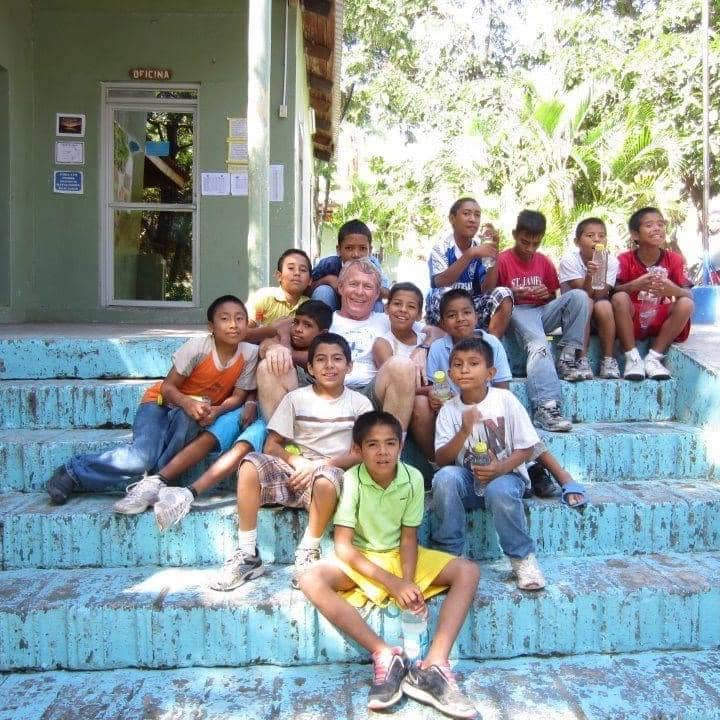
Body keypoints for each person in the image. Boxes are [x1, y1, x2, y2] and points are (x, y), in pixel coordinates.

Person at [299, 411, 479, 718]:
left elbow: (409, 538)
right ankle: (384, 653)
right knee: (310, 577)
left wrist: (407, 581)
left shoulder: (413, 478)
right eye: (372, 445)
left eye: (390, 444)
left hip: (400, 556)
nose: (383, 452)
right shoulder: (353, 479)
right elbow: (343, 545)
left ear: (401, 445)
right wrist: (392, 584)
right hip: (362, 559)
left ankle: (435, 664)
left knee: (468, 570)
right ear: (357, 450)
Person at [46, 295, 258, 505]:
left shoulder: (249, 354)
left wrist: (217, 411)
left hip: (193, 415)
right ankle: (73, 472)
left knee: (171, 447)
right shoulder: (198, 348)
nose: (233, 325)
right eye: (225, 318)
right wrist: (186, 402)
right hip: (159, 405)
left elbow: (238, 396)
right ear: (211, 326)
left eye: (239, 318)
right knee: (142, 458)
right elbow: (167, 387)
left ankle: (153, 484)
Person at [211, 333, 373, 591]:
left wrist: (321, 465)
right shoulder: (297, 399)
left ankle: (308, 551)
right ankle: (247, 554)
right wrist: (296, 461)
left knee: (326, 480)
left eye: (337, 359)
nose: (329, 365)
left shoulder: (360, 403)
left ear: (349, 366)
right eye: (320, 360)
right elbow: (271, 445)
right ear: (309, 368)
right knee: (250, 464)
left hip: (330, 475)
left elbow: (361, 452)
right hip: (295, 471)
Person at [429, 338, 546, 591]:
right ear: (449, 374)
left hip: (506, 478)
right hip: (469, 482)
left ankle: (521, 558)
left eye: (473, 363)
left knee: (500, 490)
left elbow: (527, 447)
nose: (464, 370)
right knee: (445, 478)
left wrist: (501, 468)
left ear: (491, 373)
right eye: (457, 365)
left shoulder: (505, 400)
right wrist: (463, 430)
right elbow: (441, 459)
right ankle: (449, 556)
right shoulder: (450, 409)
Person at [496, 210, 590, 432]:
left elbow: (552, 295)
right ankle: (545, 407)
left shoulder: (544, 261)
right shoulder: (503, 259)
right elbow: (492, 295)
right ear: (514, 235)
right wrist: (512, 292)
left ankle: (568, 357)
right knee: (539, 345)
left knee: (579, 297)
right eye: (524, 242)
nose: (529, 248)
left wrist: (543, 293)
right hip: (517, 312)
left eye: (535, 243)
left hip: (541, 311)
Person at [329, 259, 425, 435]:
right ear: (340, 287)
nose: (360, 292)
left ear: (376, 294)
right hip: (329, 390)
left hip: (371, 393)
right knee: (271, 365)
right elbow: (282, 329)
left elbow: (436, 332)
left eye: (367, 286)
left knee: (401, 365)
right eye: (353, 284)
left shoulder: (388, 318)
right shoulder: (325, 319)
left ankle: (392, 450)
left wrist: (423, 348)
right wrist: (275, 346)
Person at [611, 207, 694, 380]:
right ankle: (632, 358)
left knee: (686, 303)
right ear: (635, 235)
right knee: (619, 298)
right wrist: (633, 285)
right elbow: (612, 292)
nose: (657, 228)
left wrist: (674, 290)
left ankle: (654, 358)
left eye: (661, 224)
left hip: (658, 317)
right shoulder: (624, 259)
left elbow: (689, 294)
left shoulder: (675, 259)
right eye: (649, 225)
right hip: (632, 318)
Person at [426, 197, 513, 337]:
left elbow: (487, 289)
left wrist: (494, 256)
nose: (472, 219)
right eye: (466, 213)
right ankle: (450, 343)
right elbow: (440, 281)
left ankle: (490, 347)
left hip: (471, 308)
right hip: (445, 310)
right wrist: (470, 254)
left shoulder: (481, 245)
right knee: (438, 295)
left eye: (477, 215)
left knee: (504, 293)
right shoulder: (441, 246)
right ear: (452, 219)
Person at [371, 282, 434, 460]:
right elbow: (397, 386)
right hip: (398, 400)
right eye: (397, 304)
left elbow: (439, 334)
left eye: (411, 306)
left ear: (420, 314)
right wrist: (431, 391)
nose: (403, 310)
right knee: (421, 403)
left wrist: (424, 346)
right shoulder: (382, 343)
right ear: (387, 308)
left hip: (434, 398)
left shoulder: (425, 339)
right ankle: (432, 460)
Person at [559, 218, 621, 379]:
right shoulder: (569, 260)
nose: (597, 239)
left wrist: (598, 271)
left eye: (602, 235)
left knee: (605, 306)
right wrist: (589, 275)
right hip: (573, 316)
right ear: (577, 241)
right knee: (585, 301)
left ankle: (608, 360)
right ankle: (581, 359)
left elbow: (600, 295)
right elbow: (584, 295)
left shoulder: (611, 261)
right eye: (590, 235)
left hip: (597, 314)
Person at [254, 299, 333, 420]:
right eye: (296, 322)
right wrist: (273, 347)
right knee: (270, 363)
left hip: (315, 409)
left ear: (323, 333)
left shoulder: (327, 349)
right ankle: (277, 430)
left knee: (281, 360)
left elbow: (312, 358)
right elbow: (266, 344)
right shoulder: (285, 336)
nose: (298, 329)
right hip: (275, 409)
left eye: (307, 325)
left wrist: (286, 347)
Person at [310, 219, 390, 312]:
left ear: (370, 251)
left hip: (362, 307)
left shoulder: (374, 267)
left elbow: (386, 293)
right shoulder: (329, 264)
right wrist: (327, 280)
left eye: (362, 248)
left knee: (377, 304)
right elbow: (307, 288)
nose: (356, 254)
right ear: (338, 250)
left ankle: (371, 327)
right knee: (323, 292)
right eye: (349, 248)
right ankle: (322, 326)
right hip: (334, 308)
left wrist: (364, 288)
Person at [244, 248, 312, 344]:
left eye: (303, 270)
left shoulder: (310, 305)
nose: (297, 273)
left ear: (310, 280)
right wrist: (272, 329)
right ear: (279, 276)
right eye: (291, 268)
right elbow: (242, 332)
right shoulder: (265, 297)